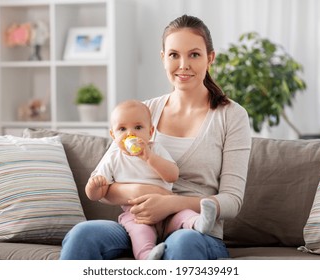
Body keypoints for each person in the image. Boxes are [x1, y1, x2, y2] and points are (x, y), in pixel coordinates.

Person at [60, 14, 251, 260]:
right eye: (174, 55)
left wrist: (171, 203)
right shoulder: (142, 112)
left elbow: (232, 201)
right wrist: (142, 190)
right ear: (163, 58)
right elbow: (104, 183)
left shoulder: (231, 116)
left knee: (183, 243)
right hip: (138, 226)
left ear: (210, 58)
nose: (183, 65)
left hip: (194, 231)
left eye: (194, 54)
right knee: (82, 235)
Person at [86, 100, 218, 260]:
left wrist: (149, 157)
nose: (130, 134)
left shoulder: (155, 149)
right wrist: (94, 187)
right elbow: (98, 195)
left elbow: (172, 176)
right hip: (136, 214)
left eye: (138, 127)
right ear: (113, 135)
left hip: (168, 210)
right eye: (122, 129)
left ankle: (199, 222)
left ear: (150, 131)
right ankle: (148, 256)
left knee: (184, 215)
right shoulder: (113, 158)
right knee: (139, 234)